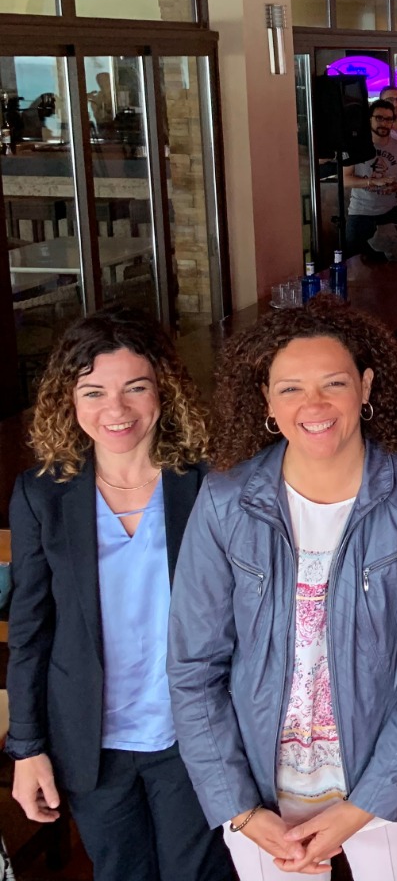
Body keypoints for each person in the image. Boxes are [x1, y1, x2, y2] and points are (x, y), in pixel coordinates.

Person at [169, 297, 397, 878]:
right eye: (290, 388)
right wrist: (240, 808)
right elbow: (194, 668)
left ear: (367, 388)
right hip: (263, 794)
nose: (313, 405)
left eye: (335, 383)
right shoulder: (225, 502)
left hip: (389, 781)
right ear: (266, 400)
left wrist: (366, 803)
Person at [8, 308, 231, 881]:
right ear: (69, 400)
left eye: (136, 387)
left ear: (165, 390)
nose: (117, 410)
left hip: (192, 738)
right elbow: (32, 631)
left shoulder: (208, 483)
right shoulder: (42, 495)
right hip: (90, 742)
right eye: (94, 391)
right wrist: (27, 749)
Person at [343, 98, 397, 257]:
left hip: (390, 214)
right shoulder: (356, 146)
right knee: (356, 266)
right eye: (379, 118)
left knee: (389, 265)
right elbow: (344, 179)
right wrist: (372, 182)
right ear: (369, 119)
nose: (384, 123)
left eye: (389, 119)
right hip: (360, 215)